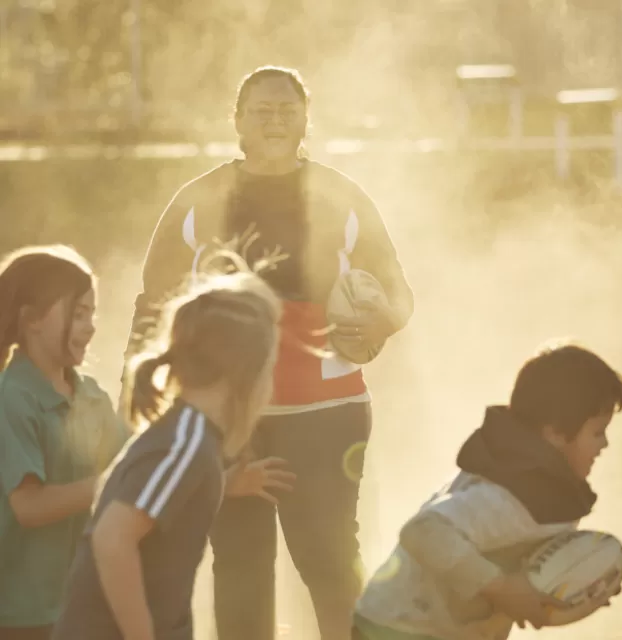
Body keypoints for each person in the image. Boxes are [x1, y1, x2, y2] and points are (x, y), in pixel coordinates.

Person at [124, 65, 414, 640]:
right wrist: (136, 396)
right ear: (237, 122)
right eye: (262, 110)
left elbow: (399, 296)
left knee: (332, 566)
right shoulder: (198, 199)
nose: (275, 120)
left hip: (326, 414)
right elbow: (152, 304)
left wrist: (377, 320)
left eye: (287, 109)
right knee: (240, 572)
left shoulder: (342, 195)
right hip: (230, 418)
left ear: (306, 119)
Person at [52, 264, 282, 640]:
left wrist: (222, 484)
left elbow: (151, 503)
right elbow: (112, 536)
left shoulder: (188, 441)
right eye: (270, 370)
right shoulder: (186, 443)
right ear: (246, 374)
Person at [353, 343, 622, 640]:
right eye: (597, 432)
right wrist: (502, 588)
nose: (604, 446)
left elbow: (532, 568)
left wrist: (581, 585)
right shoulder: (509, 493)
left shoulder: (546, 487)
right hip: (399, 630)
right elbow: (423, 530)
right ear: (555, 434)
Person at [0, 245, 129, 640]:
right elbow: (29, 506)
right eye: (77, 314)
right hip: (21, 613)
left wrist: (224, 478)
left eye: (92, 314)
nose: (90, 327)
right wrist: (109, 483)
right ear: (31, 319)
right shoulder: (12, 398)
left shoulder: (92, 397)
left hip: (82, 604)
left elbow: (136, 467)